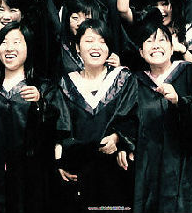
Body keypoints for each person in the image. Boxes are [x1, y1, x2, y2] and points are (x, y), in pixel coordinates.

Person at [115, 16, 192, 213]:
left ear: (171, 49)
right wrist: (124, 144)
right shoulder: (134, 82)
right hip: (149, 169)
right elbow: (126, 119)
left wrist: (179, 102)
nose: (156, 45)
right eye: (149, 41)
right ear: (141, 52)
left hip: (187, 169)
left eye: (162, 40)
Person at [51, 19, 137, 213]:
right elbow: (60, 127)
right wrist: (59, 161)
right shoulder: (66, 84)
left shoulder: (124, 79)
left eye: (102, 41)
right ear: (77, 47)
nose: (96, 46)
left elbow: (132, 117)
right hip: (78, 171)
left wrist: (117, 137)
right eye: (89, 41)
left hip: (114, 172)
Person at [0, 22, 58, 213]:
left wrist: (40, 104)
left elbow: (52, 133)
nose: (9, 47)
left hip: (28, 179)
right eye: (4, 42)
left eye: (17, 42)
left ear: (29, 47)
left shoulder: (43, 88)